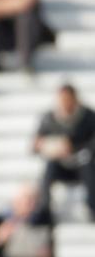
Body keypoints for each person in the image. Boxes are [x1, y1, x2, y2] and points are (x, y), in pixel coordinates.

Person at [34, 84, 95, 218]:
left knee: (89, 165)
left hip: (84, 164)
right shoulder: (49, 119)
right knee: (49, 168)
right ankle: (45, 209)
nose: (65, 104)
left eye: (68, 100)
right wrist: (48, 146)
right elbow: (35, 145)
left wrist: (73, 145)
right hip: (62, 164)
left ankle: (92, 206)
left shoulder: (89, 117)